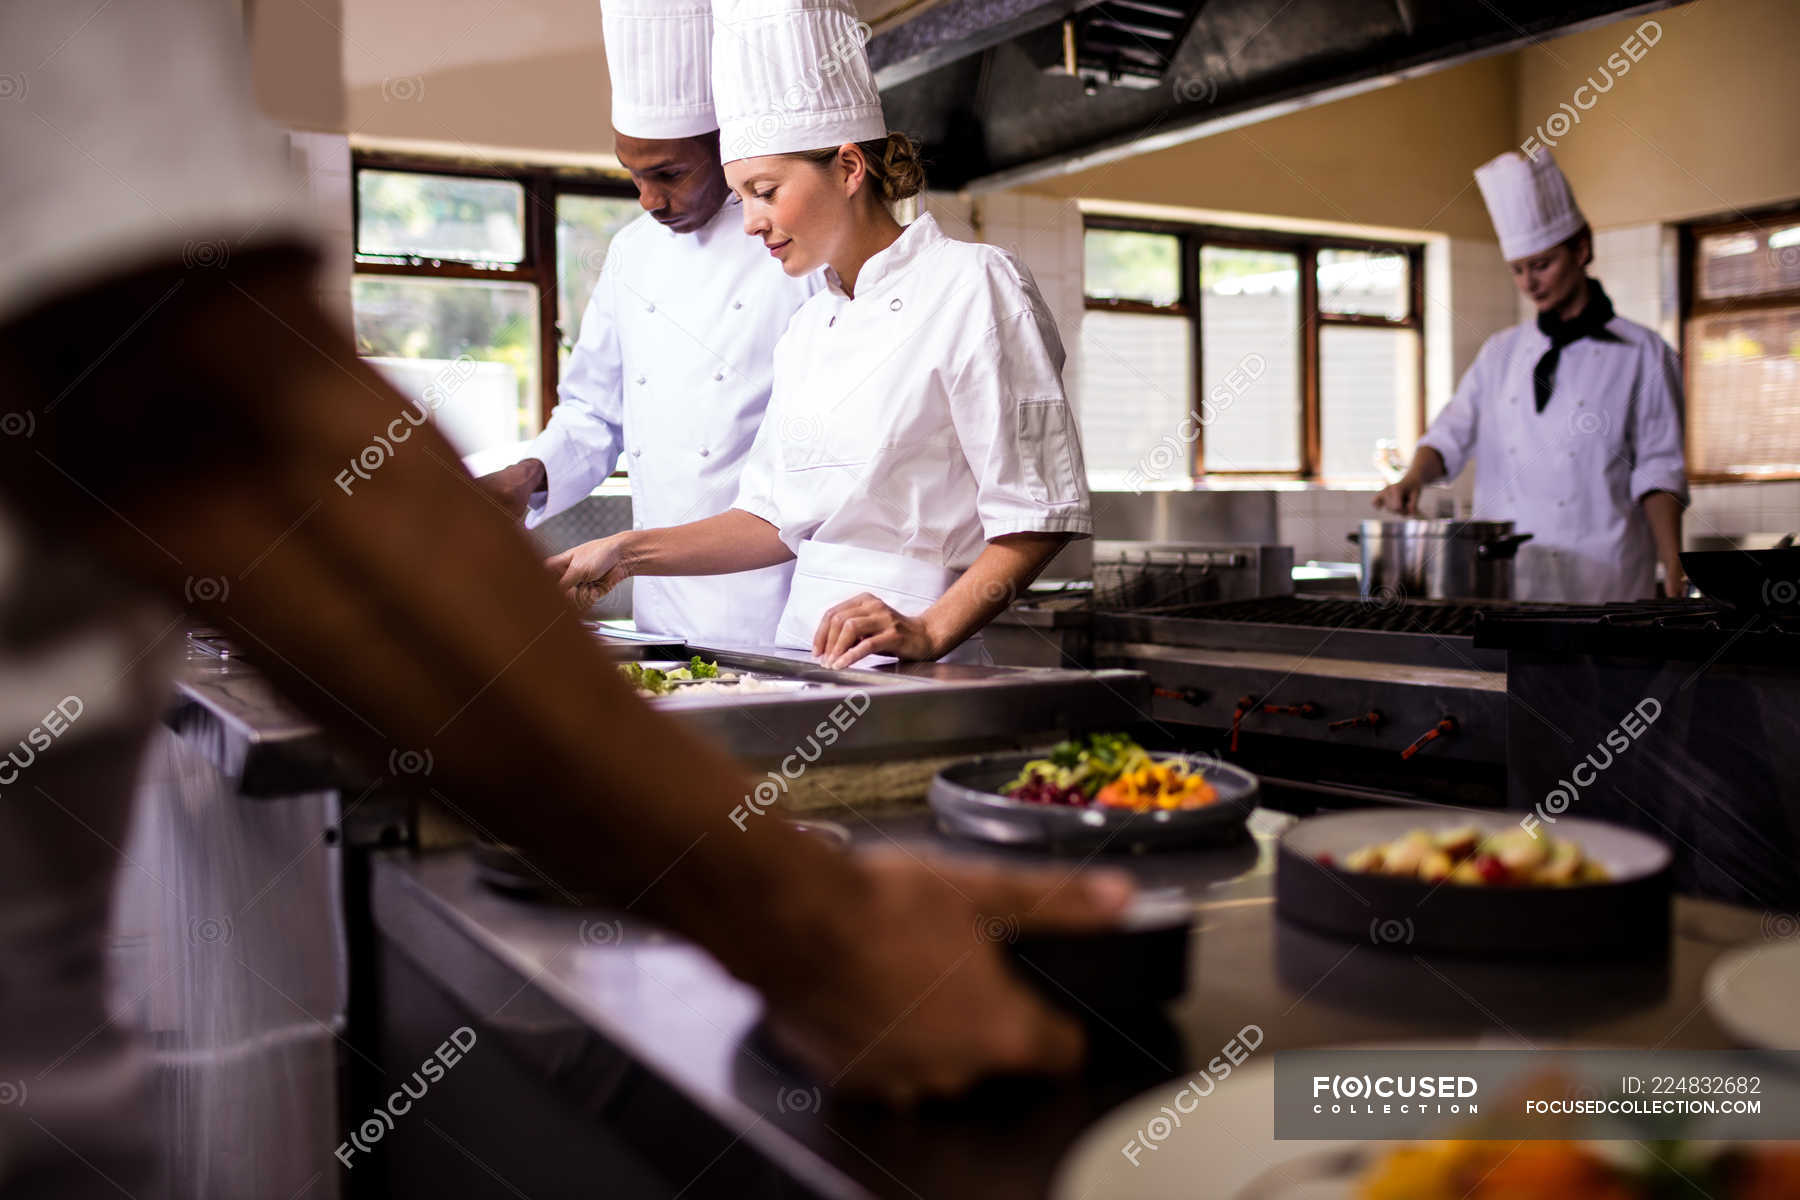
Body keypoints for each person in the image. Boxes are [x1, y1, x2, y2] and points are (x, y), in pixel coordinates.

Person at [0, 3, 1133, 1193]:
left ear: (844, 165)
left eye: (745, 185)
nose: (736, 216)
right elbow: (736, 495)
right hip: (780, 652)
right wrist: (613, 545)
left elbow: (219, 419)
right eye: (716, 188)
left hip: (878, 668)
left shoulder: (954, 282)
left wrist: (817, 913)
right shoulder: (762, 301)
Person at [551, 0, 1092, 669]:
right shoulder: (811, 324)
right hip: (801, 661)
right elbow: (771, 522)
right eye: (740, 196)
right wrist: (624, 552)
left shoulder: (974, 285)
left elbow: (1037, 514)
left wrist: (928, 630)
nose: (750, 223)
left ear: (847, 168)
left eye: (765, 190)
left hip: (919, 672)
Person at [478, 0, 817, 647]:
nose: (649, 200)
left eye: (668, 174)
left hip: (783, 611)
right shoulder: (631, 252)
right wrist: (531, 475)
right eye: (633, 175)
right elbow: (594, 413)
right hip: (661, 611)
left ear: (725, 146)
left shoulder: (792, 244)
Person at [1374, 150, 1687, 604]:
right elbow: (1449, 434)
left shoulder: (1646, 354)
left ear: (1581, 249)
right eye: (1517, 270)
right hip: (1507, 585)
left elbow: (1659, 473)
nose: (1529, 283)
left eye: (1541, 265)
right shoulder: (1500, 353)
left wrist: (1674, 567)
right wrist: (1413, 478)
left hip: (1605, 586)